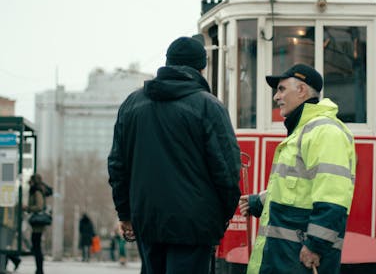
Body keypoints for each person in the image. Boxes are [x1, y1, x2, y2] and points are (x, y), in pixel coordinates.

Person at [108, 36, 241, 274]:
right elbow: (228, 171)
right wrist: (221, 216)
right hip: (195, 224)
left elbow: (118, 165)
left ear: (167, 63)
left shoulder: (132, 105)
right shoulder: (209, 107)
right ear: (202, 68)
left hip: (147, 220)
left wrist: (125, 213)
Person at [239, 64, 356, 274]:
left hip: (299, 261)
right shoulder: (304, 131)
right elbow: (296, 189)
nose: (276, 97)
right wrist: (259, 202)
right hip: (287, 260)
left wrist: (315, 245)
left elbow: (333, 199)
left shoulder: (325, 132)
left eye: (282, 89)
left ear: (301, 90)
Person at [23, 174, 48, 274]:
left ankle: (39, 269)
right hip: (37, 224)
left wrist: (28, 208)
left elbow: (39, 206)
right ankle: (39, 269)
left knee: (36, 246)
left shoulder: (37, 191)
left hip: (38, 224)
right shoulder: (37, 190)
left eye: (31, 181)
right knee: (36, 246)